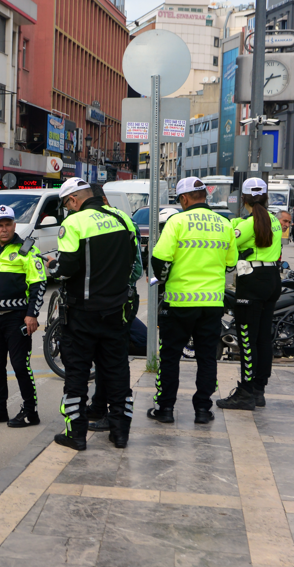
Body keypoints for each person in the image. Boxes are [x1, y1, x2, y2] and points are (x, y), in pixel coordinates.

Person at [47, 178, 137, 451]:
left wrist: (53, 267)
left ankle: (76, 435)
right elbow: (133, 260)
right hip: (116, 311)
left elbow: (66, 269)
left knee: (76, 374)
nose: (67, 210)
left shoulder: (74, 223)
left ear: (73, 200)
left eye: (66, 205)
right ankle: (120, 434)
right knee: (117, 373)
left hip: (82, 314)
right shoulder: (123, 219)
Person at [149, 177, 237, 425]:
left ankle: (165, 409)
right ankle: (202, 410)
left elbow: (160, 260)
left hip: (178, 304)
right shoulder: (224, 224)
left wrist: (164, 280)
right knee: (207, 357)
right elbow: (231, 264)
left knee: (170, 357)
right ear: (204, 196)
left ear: (184, 199)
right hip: (211, 304)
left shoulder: (177, 221)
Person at [0, 205, 47, 427]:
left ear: (14, 226)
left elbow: (38, 284)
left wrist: (32, 315)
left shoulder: (26, 249)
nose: (4, 229)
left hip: (17, 318)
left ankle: (31, 412)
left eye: (8, 225)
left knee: (20, 366)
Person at [216, 178, 283, 411]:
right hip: (273, 279)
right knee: (264, 339)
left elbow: (226, 242)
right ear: (266, 197)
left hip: (252, 281)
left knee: (246, 339)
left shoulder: (246, 224)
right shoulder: (273, 220)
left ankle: (245, 392)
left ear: (242, 199)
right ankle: (258, 390)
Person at [85, 183, 144, 433]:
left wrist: (114, 288)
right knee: (104, 359)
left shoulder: (112, 223)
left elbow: (137, 269)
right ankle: (99, 405)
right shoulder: (124, 221)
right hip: (118, 301)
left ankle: (113, 413)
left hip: (115, 305)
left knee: (113, 362)